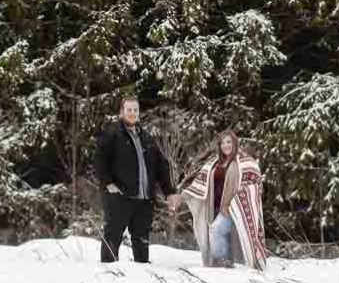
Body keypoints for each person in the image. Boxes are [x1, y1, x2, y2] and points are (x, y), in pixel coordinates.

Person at [94, 97, 181, 263]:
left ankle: (143, 274)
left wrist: (169, 191)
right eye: (129, 110)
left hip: (144, 199)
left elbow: (161, 166)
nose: (132, 113)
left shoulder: (146, 137)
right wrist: (108, 183)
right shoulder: (112, 134)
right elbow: (99, 160)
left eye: (135, 110)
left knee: (141, 238)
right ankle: (108, 273)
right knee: (113, 235)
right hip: (119, 196)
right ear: (121, 112)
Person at [178, 130, 267, 270]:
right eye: (222, 143)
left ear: (235, 143)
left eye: (228, 142)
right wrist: (181, 197)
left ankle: (222, 264)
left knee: (216, 229)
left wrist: (237, 200)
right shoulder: (213, 162)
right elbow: (199, 183)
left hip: (233, 206)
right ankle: (224, 264)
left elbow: (255, 184)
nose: (225, 145)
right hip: (214, 206)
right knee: (221, 234)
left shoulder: (246, 162)